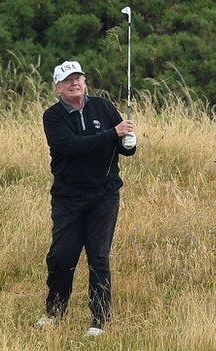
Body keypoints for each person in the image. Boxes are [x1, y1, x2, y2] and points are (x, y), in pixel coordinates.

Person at [38, 60, 136, 336]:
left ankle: (99, 321)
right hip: (68, 196)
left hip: (104, 195)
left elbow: (122, 143)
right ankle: (55, 312)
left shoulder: (103, 107)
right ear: (58, 88)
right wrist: (113, 134)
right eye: (68, 80)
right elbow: (71, 147)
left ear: (84, 81)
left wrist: (129, 143)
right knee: (62, 255)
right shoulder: (53, 116)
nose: (74, 83)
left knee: (99, 257)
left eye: (78, 78)